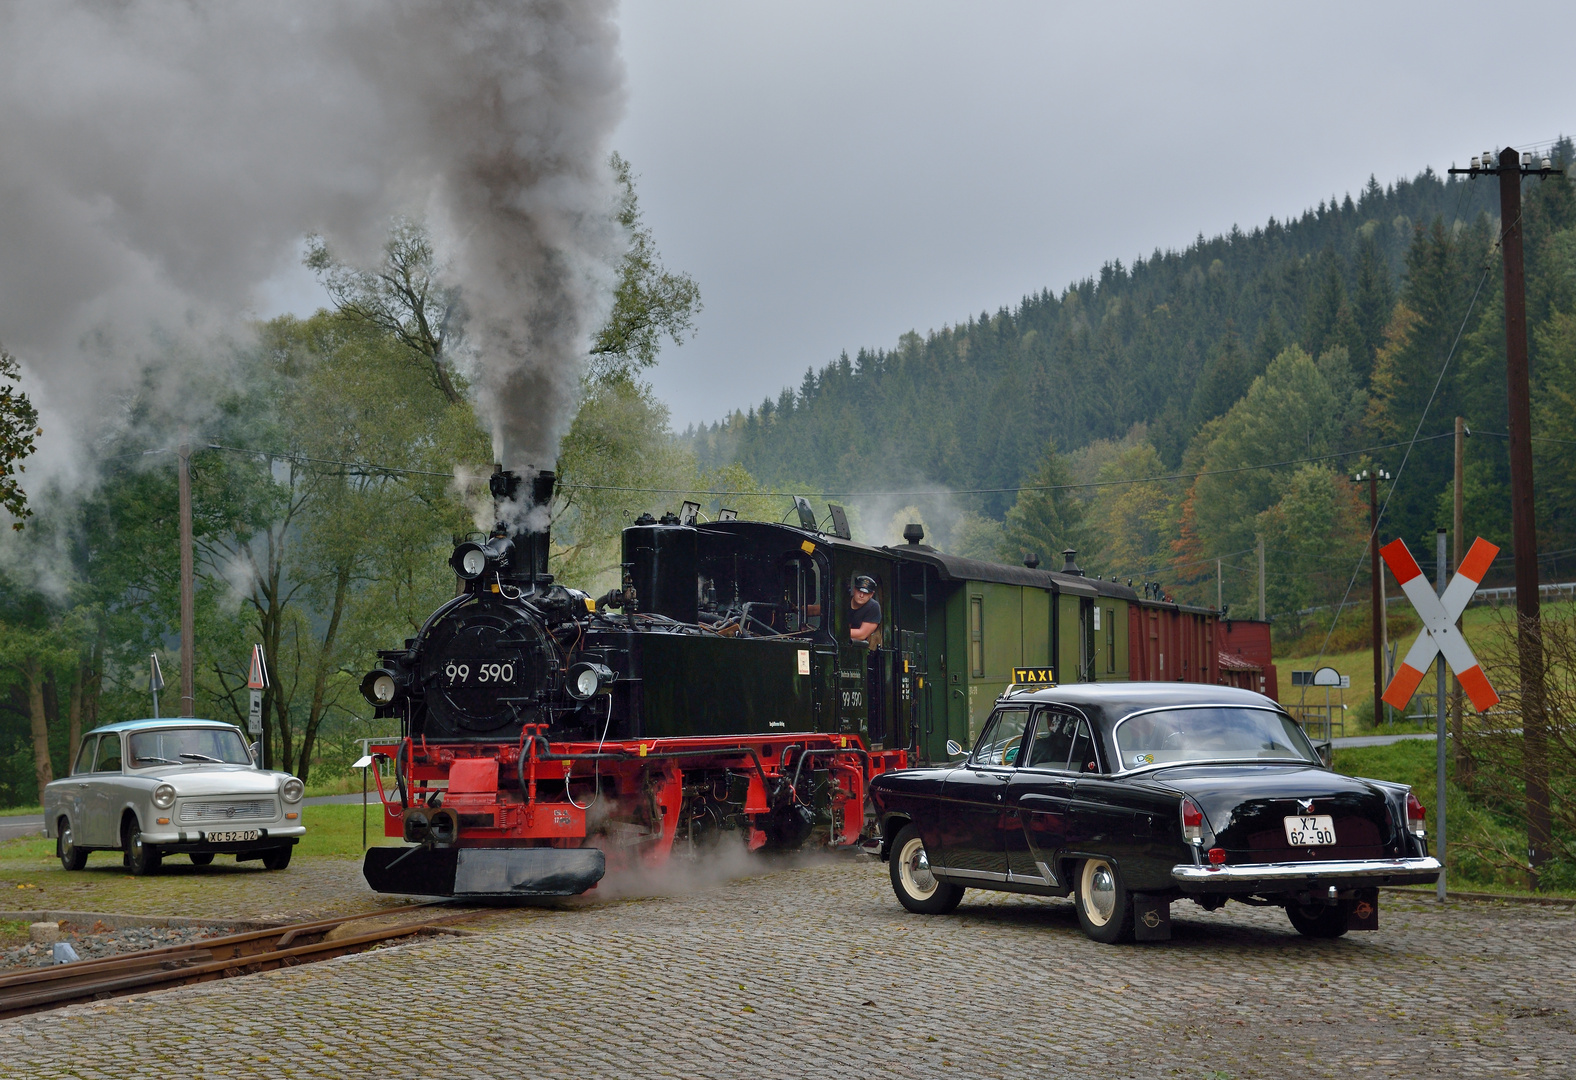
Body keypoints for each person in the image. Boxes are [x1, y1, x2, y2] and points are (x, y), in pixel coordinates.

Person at [848, 575, 881, 644]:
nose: (861, 595)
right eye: (859, 591)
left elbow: (862, 634)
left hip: (860, 648)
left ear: (871, 594)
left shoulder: (873, 607)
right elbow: (822, 609)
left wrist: (837, 631)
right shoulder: (843, 601)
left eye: (866, 593)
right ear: (854, 589)